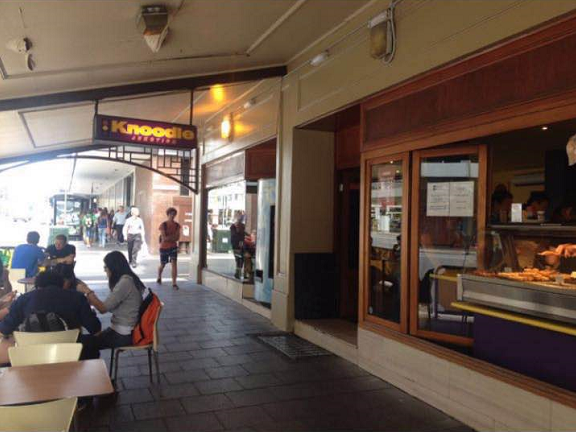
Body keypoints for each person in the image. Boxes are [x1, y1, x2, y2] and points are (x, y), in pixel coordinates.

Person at [76, 251, 144, 358]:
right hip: (122, 330)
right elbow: (108, 305)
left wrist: (87, 291)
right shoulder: (128, 279)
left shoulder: (125, 282)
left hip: (123, 335)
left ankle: (93, 368)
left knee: (82, 344)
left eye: (106, 267)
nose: (105, 270)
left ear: (113, 267)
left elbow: (103, 308)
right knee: (87, 342)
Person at [0, 270, 101, 336]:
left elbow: (4, 329)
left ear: (37, 286)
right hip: (70, 352)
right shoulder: (77, 297)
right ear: (62, 284)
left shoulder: (24, 299)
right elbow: (95, 328)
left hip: (32, 352)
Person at [157, 207, 181, 289]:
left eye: (174, 214)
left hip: (173, 247)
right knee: (163, 264)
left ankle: (174, 283)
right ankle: (159, 276)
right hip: (164, 247)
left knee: (174, 264)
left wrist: (169, 238)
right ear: (168, 214)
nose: (172, 216)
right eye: (171, 214)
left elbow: (177, 238)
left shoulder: (177, 225)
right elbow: (164, 238)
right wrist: (172, 237)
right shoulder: (163, 225)